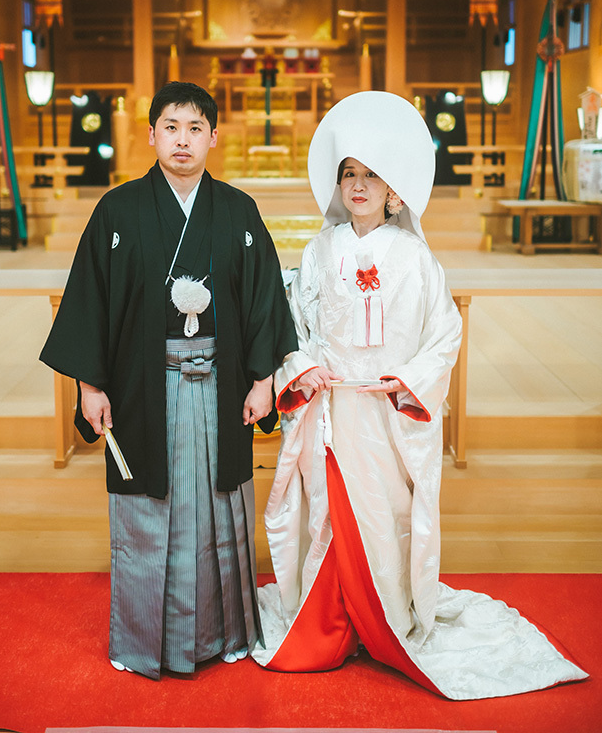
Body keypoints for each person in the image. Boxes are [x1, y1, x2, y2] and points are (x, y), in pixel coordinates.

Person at [251, 91, 587, 699]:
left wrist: (407, 384)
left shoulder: (415, 258)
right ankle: (329, 627)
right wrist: (300, 367)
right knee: (333, 518)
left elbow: (443, 334)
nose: (358, 185)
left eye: (372, 176)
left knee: (383, 521)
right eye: (349, 174)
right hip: (331, 411)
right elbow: (294, 327)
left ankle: (381, 626)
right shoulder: (318, 250)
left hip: (385, 415)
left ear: (394, 190)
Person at [40, 81, 296, 680]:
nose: (183, 140)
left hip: (220, 385)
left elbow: (264, 302)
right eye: (172, 127)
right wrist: (90, 385)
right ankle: (142, 640)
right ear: (152, 134)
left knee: (218, 504)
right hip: (140, 388)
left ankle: (223, 634)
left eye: (195, 128)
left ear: (213, 138)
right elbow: (91, 304)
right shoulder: (118, 210)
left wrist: (262, 379)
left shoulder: (237, 211)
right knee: (147, 510)